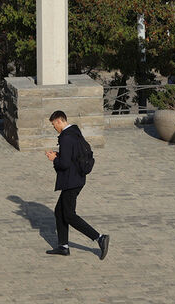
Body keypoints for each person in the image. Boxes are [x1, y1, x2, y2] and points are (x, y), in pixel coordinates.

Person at [44, 110, 109, 259]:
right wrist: (59, 156)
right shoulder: (75, 132)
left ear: (59, 121)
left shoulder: (66, 138)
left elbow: (65, 164)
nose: (54, 128)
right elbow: (73, 156)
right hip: (77, 179)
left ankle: (99, 237)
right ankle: (63, 246)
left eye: (54, 125)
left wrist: (54, 159)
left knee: (69, 215)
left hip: (71, 181)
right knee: (59, 211)